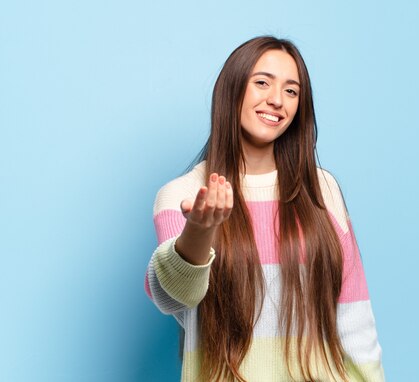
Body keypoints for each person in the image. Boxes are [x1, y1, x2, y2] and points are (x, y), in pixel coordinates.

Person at [145, 36, 385, 382]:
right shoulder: (181, 195)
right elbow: (174, 298)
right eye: (262, 83)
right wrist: (200, 231)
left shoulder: (323, 191)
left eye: (291, 91)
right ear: (232, 90)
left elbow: (355, 317)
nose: (276, 100)